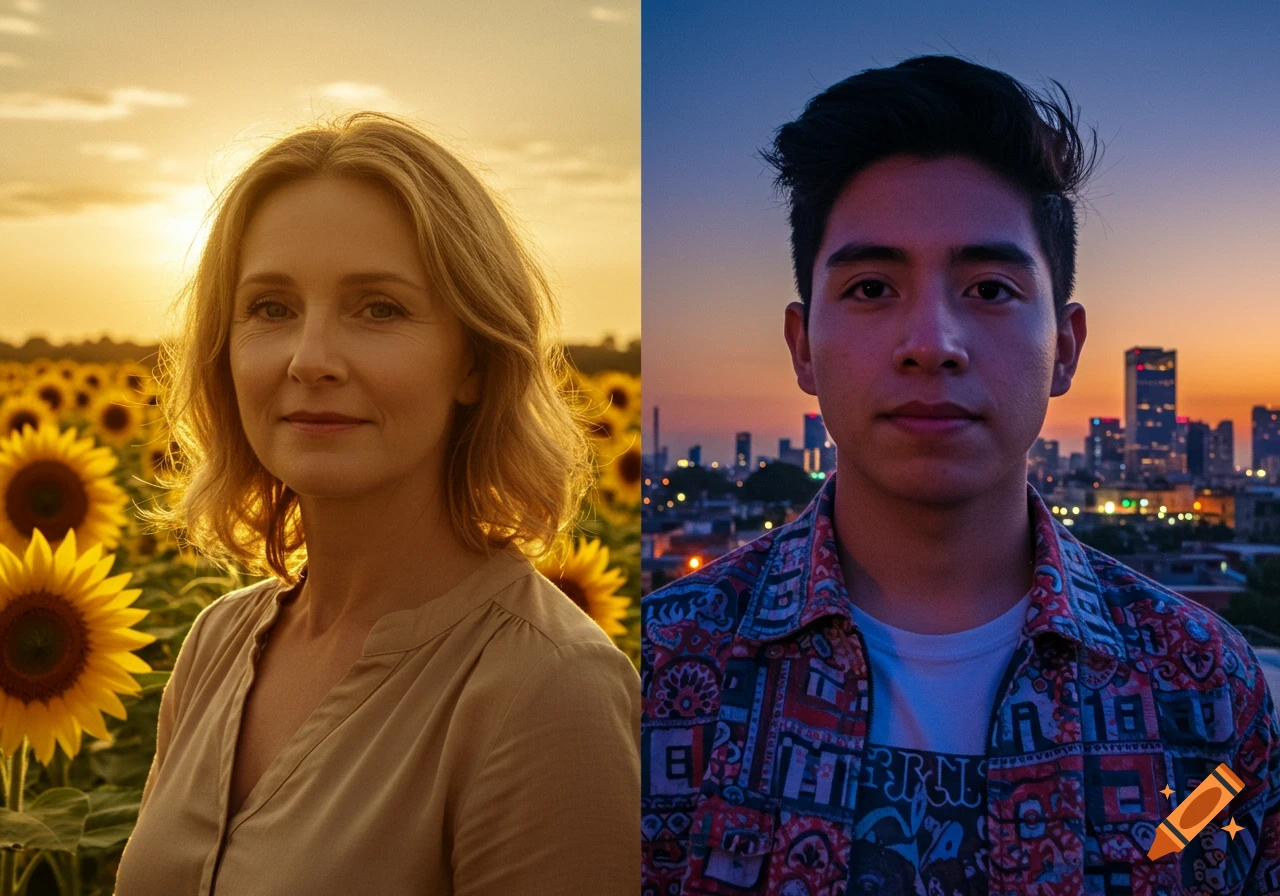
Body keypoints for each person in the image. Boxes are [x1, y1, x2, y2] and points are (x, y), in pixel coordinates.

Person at [640, 55, 1279, 895]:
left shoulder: (1203, 686)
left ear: (1064, 347)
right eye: (872, 287)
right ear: (802, 346)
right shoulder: (659, 673)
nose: (932, 341)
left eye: (989, 287)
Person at [115, 111, 639, 895]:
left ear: (474, 362)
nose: (311, 358)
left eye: (379, 308)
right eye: (270, 308)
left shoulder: (547, 694)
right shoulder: (218, 644)